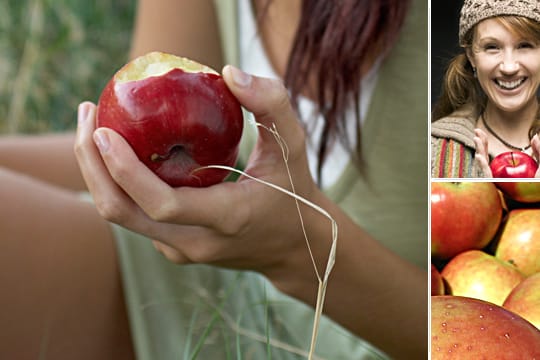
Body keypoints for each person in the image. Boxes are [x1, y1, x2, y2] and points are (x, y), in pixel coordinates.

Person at [0, 0, 428, 359]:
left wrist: (297, 248)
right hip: (212, 275)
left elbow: (485, 328)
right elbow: (150, 152)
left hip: (379, 332)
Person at [431, 0, 540, 178]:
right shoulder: (432, 149)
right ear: (471, 56)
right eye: (492, 47)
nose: (509, 67)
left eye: (524, 45)